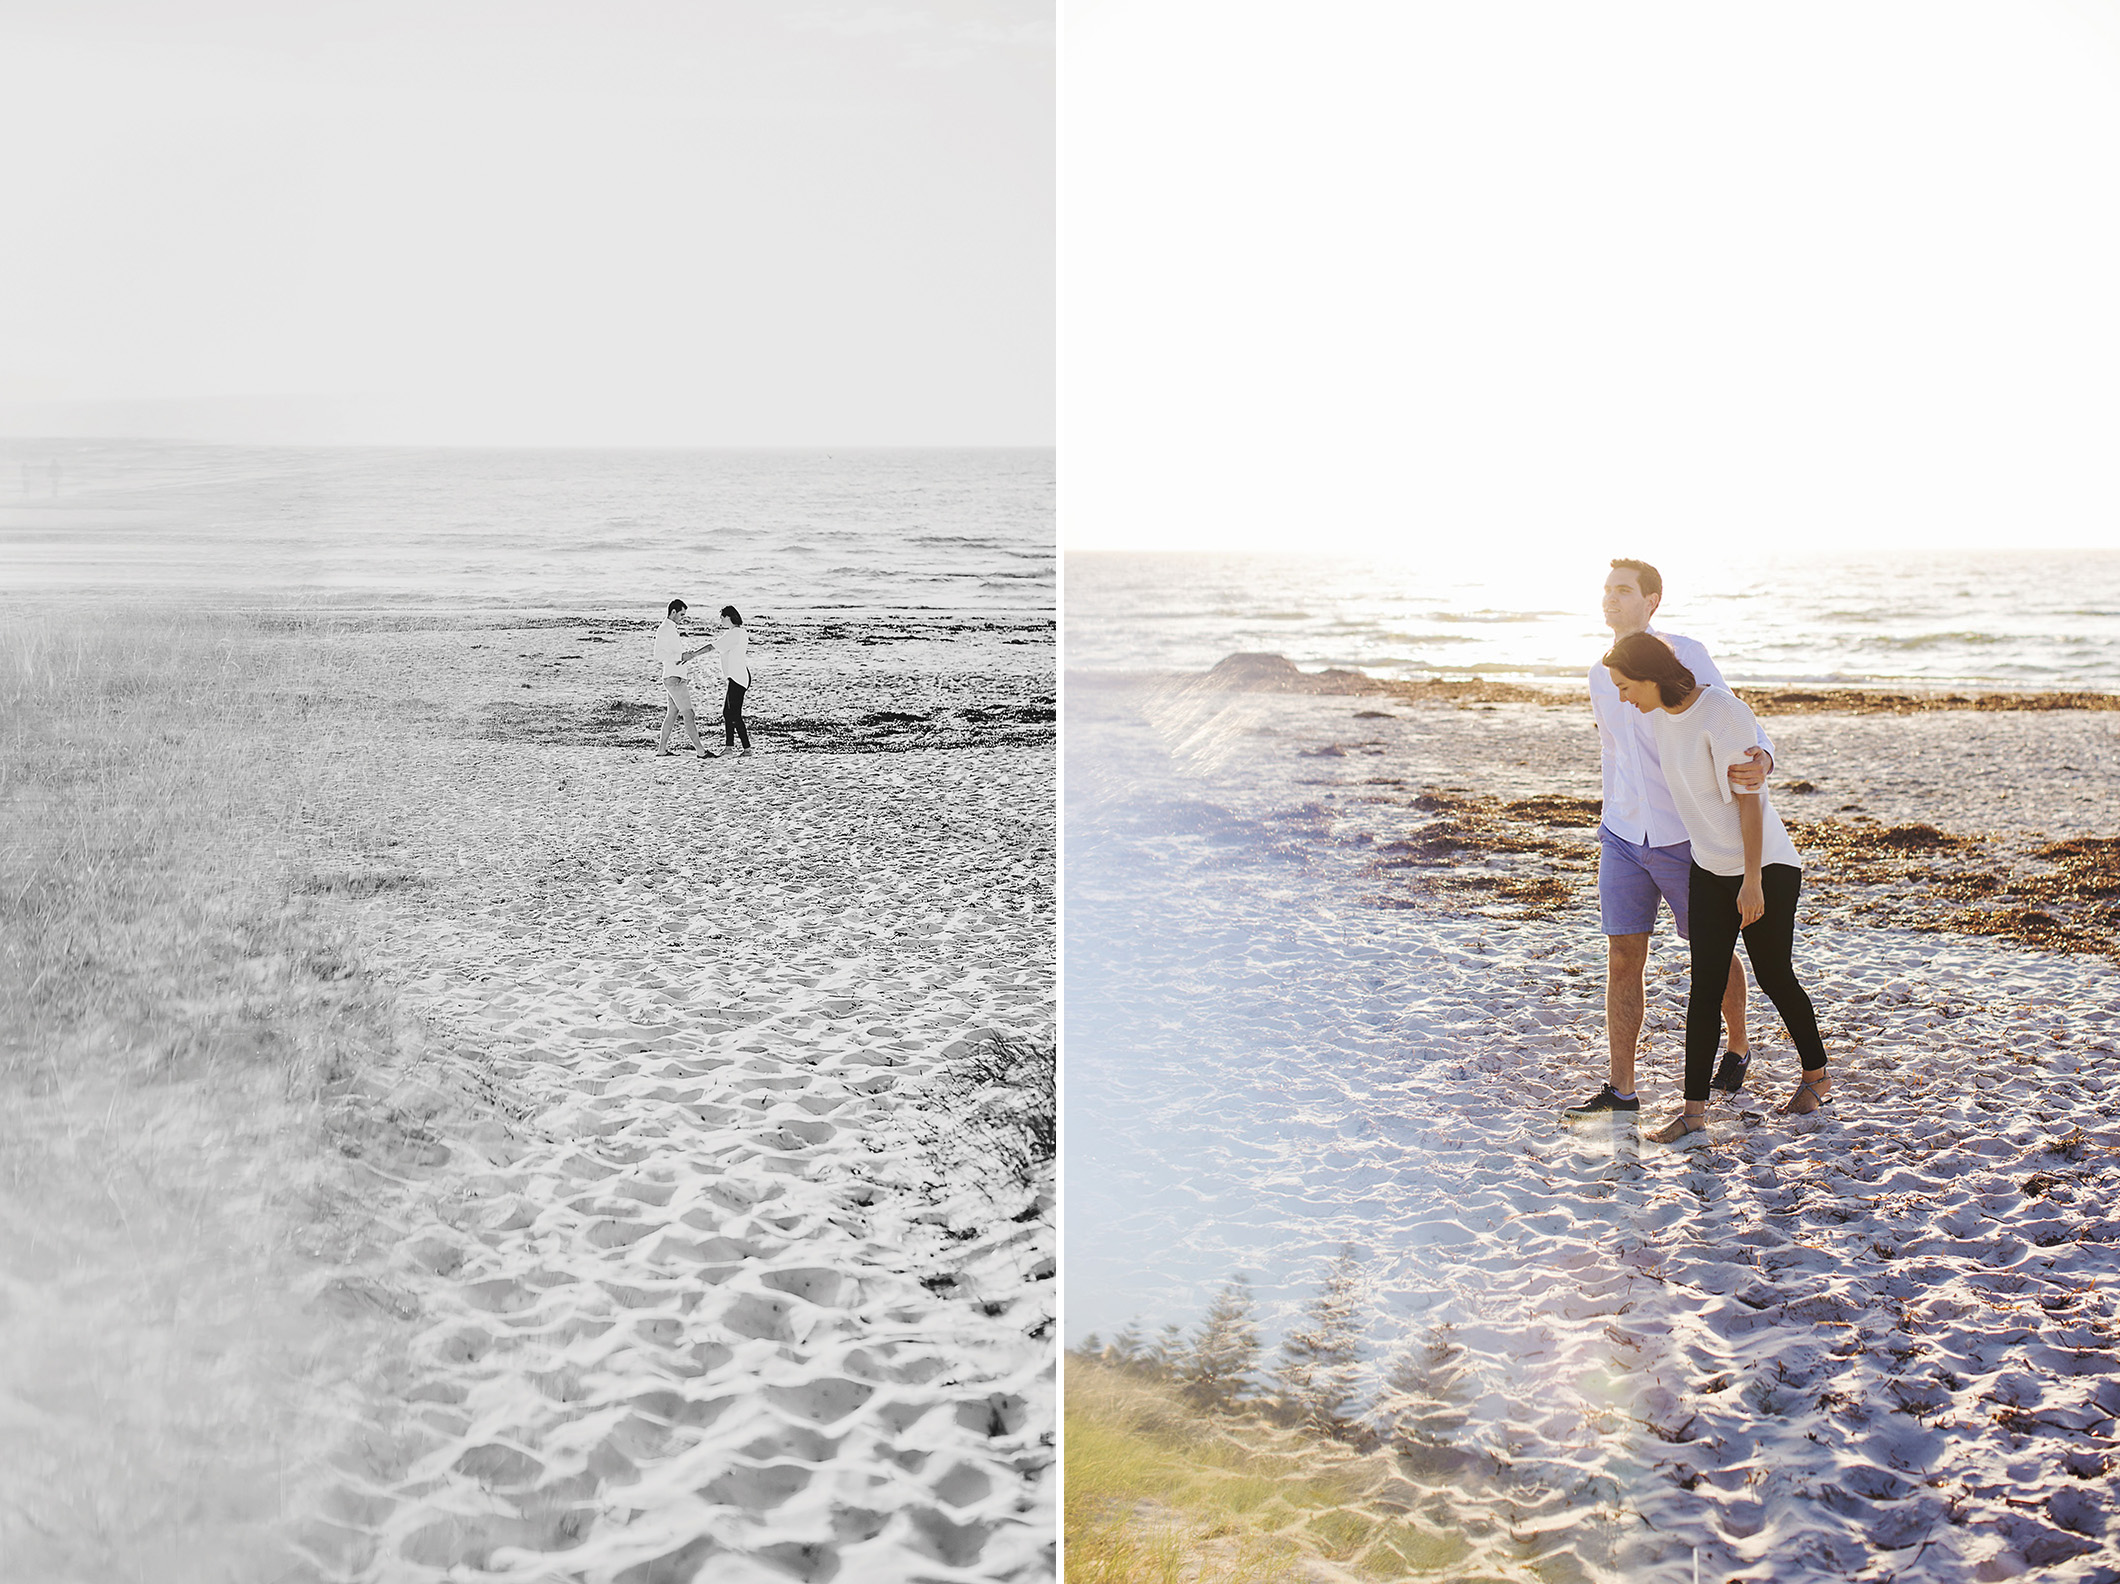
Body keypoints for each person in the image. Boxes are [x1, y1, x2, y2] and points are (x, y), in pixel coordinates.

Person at [1599, 632, 1832, 1143]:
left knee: (1774, 975)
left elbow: (1749, 799)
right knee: (1702, 990)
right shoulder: (1659, 718)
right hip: (1708, 866)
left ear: (1649, 676)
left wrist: (1751, 881)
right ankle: (1694, 1113)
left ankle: (1817, 1073)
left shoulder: (1722, 711)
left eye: (1624, 686)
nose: (1621, 697)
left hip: (1763, 865)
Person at [1566, 559, 1774, 1122]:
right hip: (1622, 833)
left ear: (1653, 599)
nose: (1610, 599)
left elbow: (1739, 721)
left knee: (1709, 950)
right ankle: (1622, 1089)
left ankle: (1737, 1043)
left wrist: (1763, 759)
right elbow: (1612, 750)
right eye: (1606, 590)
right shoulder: (1598, 674)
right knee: (1623, 954)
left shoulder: (1688, 654)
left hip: (1686, 837)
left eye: (1624, 591)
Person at [655, 598, 718, 759]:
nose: (683, 618)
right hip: (674, 678)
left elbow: (673, 654)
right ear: (673, 612)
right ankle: (701, 751)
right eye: (681, 614)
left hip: (675, 676)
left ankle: (662, 750)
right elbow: (659, 655)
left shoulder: (671, 629)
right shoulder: (664, 629)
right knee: (689, 714)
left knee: (672, 713)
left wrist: (684, 655)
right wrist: (681, 655)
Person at [714, 605, 753, 757]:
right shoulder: (739, 633)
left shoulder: (734, 633)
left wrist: (693, 655)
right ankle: (729, 747)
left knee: (734, 714)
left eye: (722, 617)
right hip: (739, 675)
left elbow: (712, 647)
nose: (721, 620)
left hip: (738, 677)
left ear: (729, 617)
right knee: (728, 712)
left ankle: (746, 749)